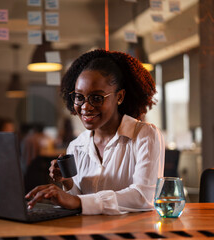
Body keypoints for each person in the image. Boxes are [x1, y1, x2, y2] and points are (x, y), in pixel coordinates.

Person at [25, 49, 165, 215]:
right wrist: (67, 182)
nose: (85, 107)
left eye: (96, 98)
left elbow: (143, 197)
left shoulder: (144, 135)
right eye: (79, 97)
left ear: (119, 97)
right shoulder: (76, 146)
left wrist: (77, 201)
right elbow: (79, 202)